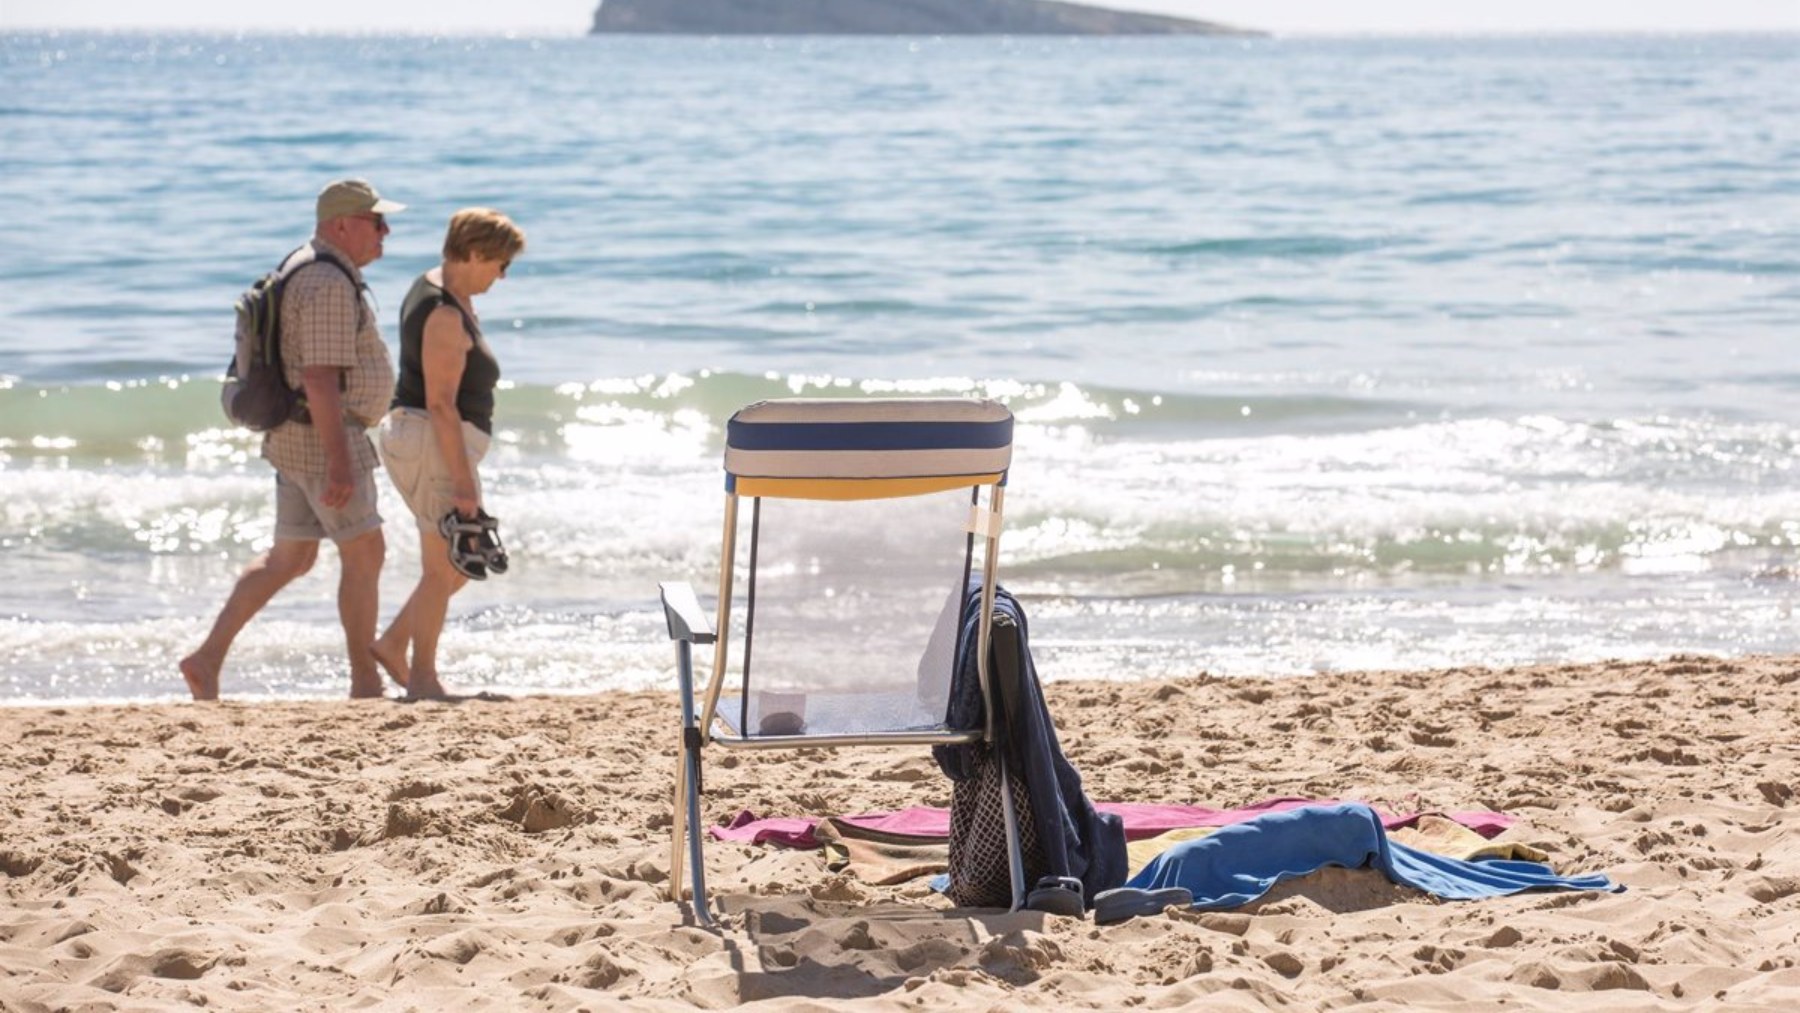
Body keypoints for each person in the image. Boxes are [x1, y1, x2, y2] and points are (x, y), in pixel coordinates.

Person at [181, 179, 403, 701]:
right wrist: (341, 462)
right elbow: (321, 378)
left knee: (291, 559)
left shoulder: (306, 265)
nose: (385, 232)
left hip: (296, 435)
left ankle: (206, 659)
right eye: (376, 221)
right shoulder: (326, 281)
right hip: (323, 437)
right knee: (366, 551)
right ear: (341, 225)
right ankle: (365, 679)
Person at [372, 208, 526, 700]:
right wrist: (462, 485)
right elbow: (439, 404)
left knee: (458, 562)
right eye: (500, 265)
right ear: (476, 253)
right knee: (445, 566)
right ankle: (422, 678)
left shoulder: (441, 289)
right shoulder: (442, 312)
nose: (502, 277)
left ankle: (395, 645)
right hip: (431, 441)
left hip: (431, 441)